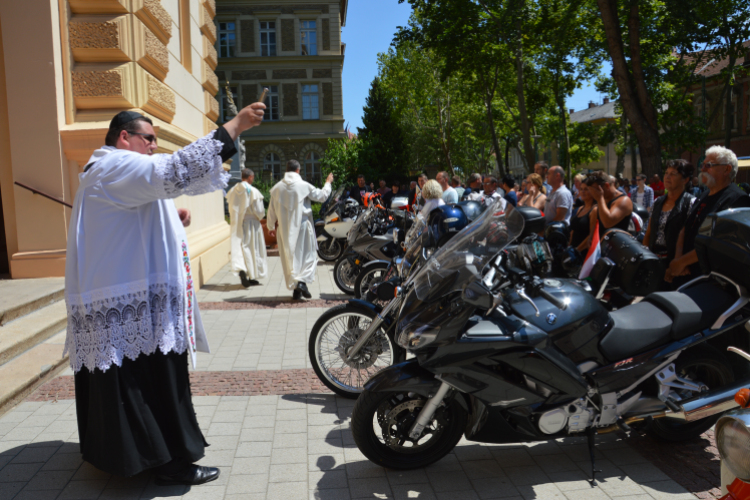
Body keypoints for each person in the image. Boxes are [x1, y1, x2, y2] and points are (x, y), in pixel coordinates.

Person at [65, 104, 265, 483]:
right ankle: (167, 463)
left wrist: (171, 216)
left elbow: (127, 219)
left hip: (122, 298)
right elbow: (174, 171)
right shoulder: (116, 165)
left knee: (128, 383)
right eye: (150, 139)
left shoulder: (103, 169)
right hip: (134, 305)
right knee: (151, 382)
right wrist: (235, 127)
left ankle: (128, 458)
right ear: (125, 137)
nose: (155, 147)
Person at [667, 146, 750, 283]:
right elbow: (685, 227)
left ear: (727, 169)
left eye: (709, 165)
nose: (702, 169)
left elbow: (717, 242)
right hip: (685, 272)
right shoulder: (704, 194)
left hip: (709, 278)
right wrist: (677, 260)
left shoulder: (737, 199)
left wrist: (681, 262)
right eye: (702, 164)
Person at [267, 160, 333, 300]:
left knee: (290, 257)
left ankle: (297, 289)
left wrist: (271, 226)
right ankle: (301, 283)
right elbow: (322, 196)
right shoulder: (303, 185)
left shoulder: (277, 188)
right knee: (308, 255)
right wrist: (328, 183)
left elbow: (271, 209)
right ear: (298, 170)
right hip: (302, 225)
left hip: (284, 228)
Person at [643, 160, 695, 289]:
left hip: (676, 267)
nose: (667, 177)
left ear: (685, 179)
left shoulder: (691, 203)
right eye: (666, 173)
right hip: (654, 263)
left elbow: (690, 240)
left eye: (673, 174)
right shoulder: (657, 202)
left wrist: (674, 267)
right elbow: (649, 233)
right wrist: (646, 259)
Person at [227, 168, 267, 287]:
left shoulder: (233, 190)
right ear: (250, 177)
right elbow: (260, 211)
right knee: (252, 249)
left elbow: (230, 208)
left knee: (241, 248)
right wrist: (260, 217)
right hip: (252, 224)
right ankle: (251, 274)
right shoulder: (252, 191)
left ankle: (244, 272)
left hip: (238, 223)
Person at [569, 183, 597, 253]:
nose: (583, 191)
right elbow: (573, 231)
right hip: (573, 250)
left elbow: (591, 235)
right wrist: (569, 247)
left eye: (586, 189)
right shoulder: (580, 209)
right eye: (581, 189)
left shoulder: (594, 210)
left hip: (583, 253)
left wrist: (577, 250)